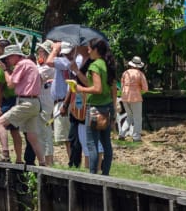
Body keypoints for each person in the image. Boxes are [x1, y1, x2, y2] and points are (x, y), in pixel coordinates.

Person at [0, 45, 46, 166]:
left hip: (26, 102)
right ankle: (43, 163)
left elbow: (11, 84)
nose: (8, 60)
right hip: (34, 102)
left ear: (16, 55)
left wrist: (5, 69)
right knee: (32, 135)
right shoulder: (30, 63)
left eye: (9, 57)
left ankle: (5, 155)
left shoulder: (21, 64)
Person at [75, 38, 116, 175]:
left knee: (92, 144)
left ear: (96, 50)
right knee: (106, 143)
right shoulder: (106, 64)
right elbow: (107, 87)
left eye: (89, 48)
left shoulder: (94, 66)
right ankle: (105, 173)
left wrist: (81, 89)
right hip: (107, 107)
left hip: (95, 109)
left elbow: (97, 88)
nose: (87, 50)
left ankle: (92, 174)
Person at [46, 41, 76, 167]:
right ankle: (72, 161)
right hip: (63, 101)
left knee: (68, 137)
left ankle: (73, 162)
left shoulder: (66, 61)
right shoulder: (66, 61)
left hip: (65, 102)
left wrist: (55, 49)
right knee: (66, 137)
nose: (66, 55)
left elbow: (49, 61)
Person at [36, 40, 56, 165]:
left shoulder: (49, 66)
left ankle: (48, 160)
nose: (39, 53)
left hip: (45, 100)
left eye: (41, 51)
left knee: (45, 130)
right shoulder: (41, 65)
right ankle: (44, 158)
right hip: (40, 99)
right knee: (39, 130)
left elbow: (36, 77)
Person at [119, 56, 148, 142]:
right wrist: (140, 91)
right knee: (137, 118)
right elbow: (145, 88)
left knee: (129, 116)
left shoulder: (125, 73)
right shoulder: (140, 74)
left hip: (125, 96)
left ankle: (122, 133)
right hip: (136, 97)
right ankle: (136, 137)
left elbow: (122, 86)